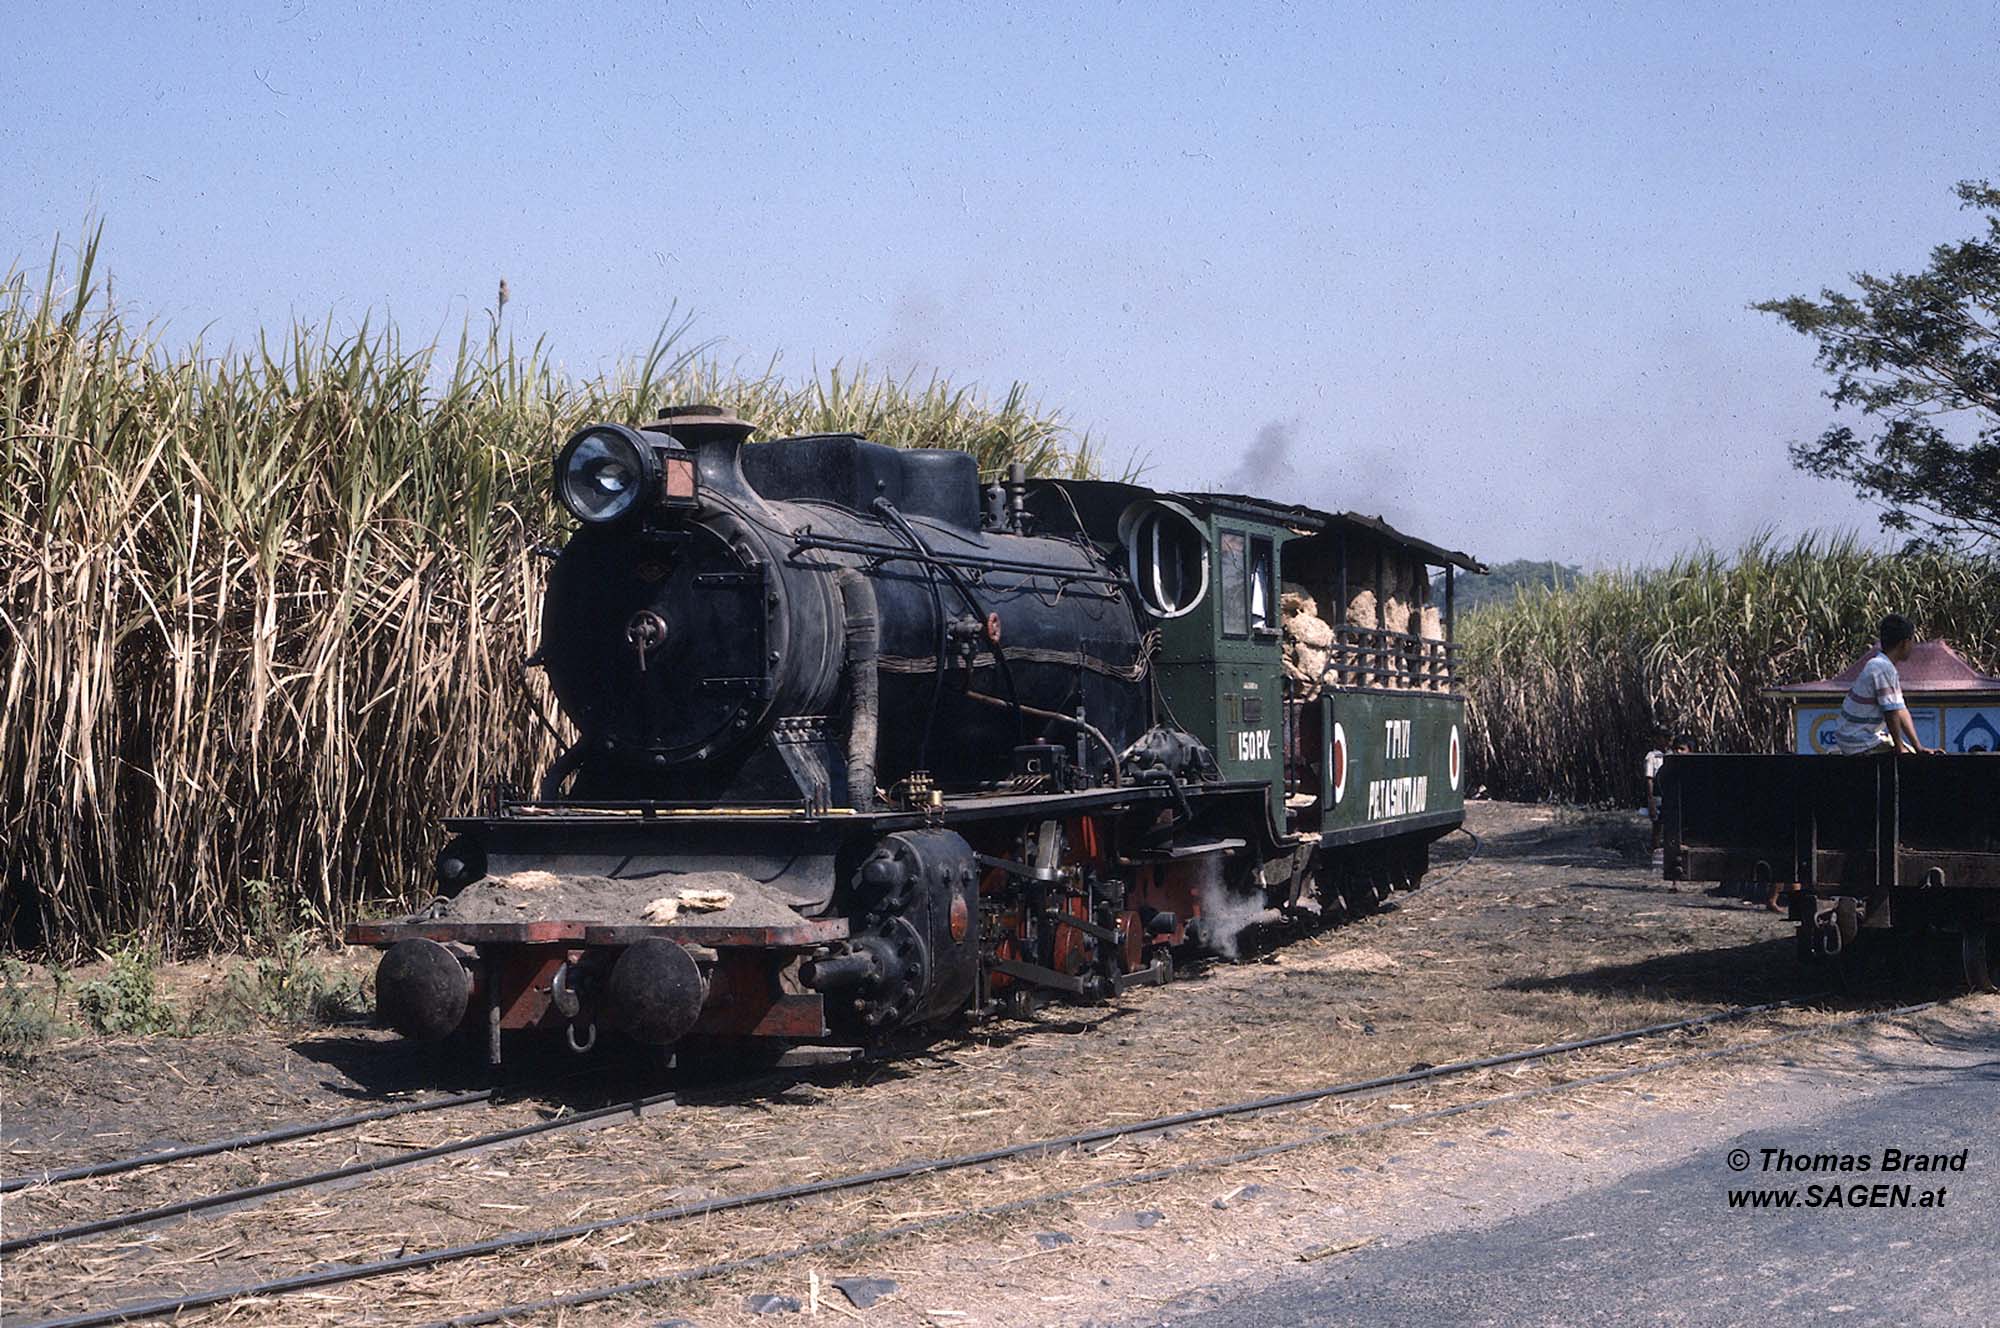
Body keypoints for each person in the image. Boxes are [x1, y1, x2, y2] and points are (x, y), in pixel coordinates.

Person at [1828, 614, 1938, 756]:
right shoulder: (1882, 668)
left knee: (1914, 753)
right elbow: (1890, 712)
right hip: (1858, 741)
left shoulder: (1882, 665)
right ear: (1904, 643)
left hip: (1857, 737)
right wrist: (1899, 748)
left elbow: (1900, 710)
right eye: (1912, 641)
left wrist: (1918, 747)